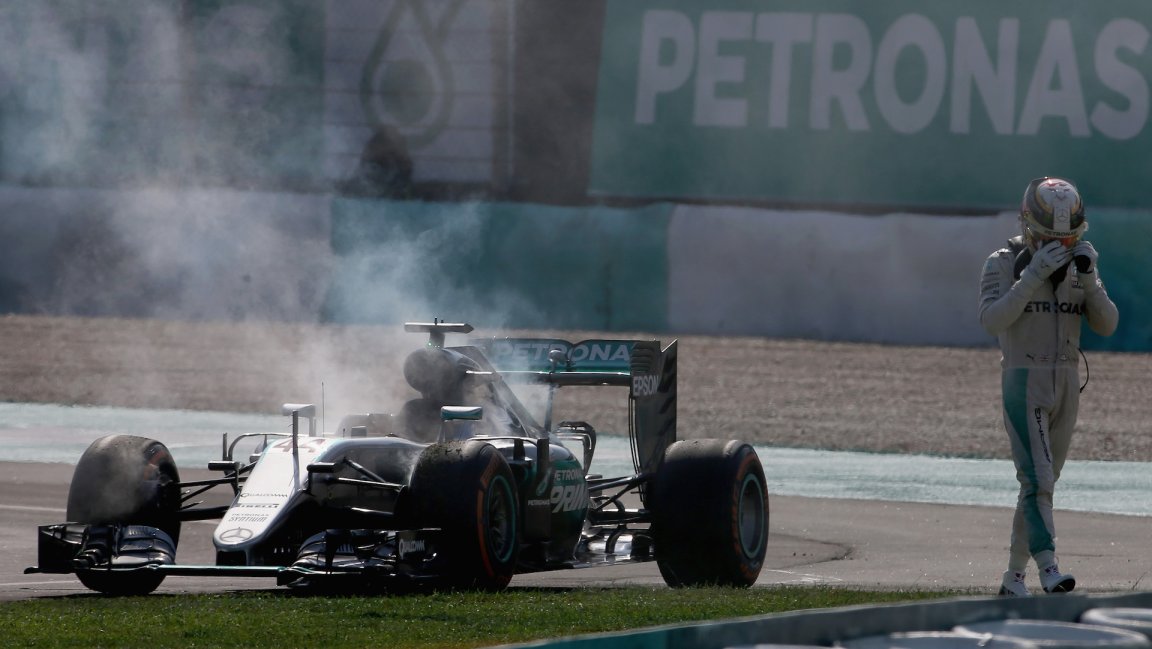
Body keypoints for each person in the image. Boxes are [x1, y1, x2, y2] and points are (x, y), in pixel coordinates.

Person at [978, 177, 1119, 597]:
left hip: (1067, 381)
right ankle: (1049, 567)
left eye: (1068, 238)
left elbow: (1107, 324)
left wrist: (1090, 279)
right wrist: (1031, 275)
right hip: (1024, 378)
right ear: (1027, 226)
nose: (1059, 246)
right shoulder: (1002, 262)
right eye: (1049, 237)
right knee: (1037, 480)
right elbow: (991, 320)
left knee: (1042, 485)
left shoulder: (1080, 265)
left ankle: (1013, 578)